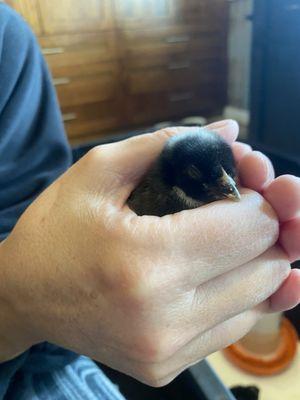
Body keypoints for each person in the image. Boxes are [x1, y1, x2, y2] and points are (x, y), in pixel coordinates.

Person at [0, 4, 300, 399]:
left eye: (227, 178)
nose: (228, 187)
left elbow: (27, 208)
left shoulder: (8, 39)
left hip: (45, 350)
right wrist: (17, 302)